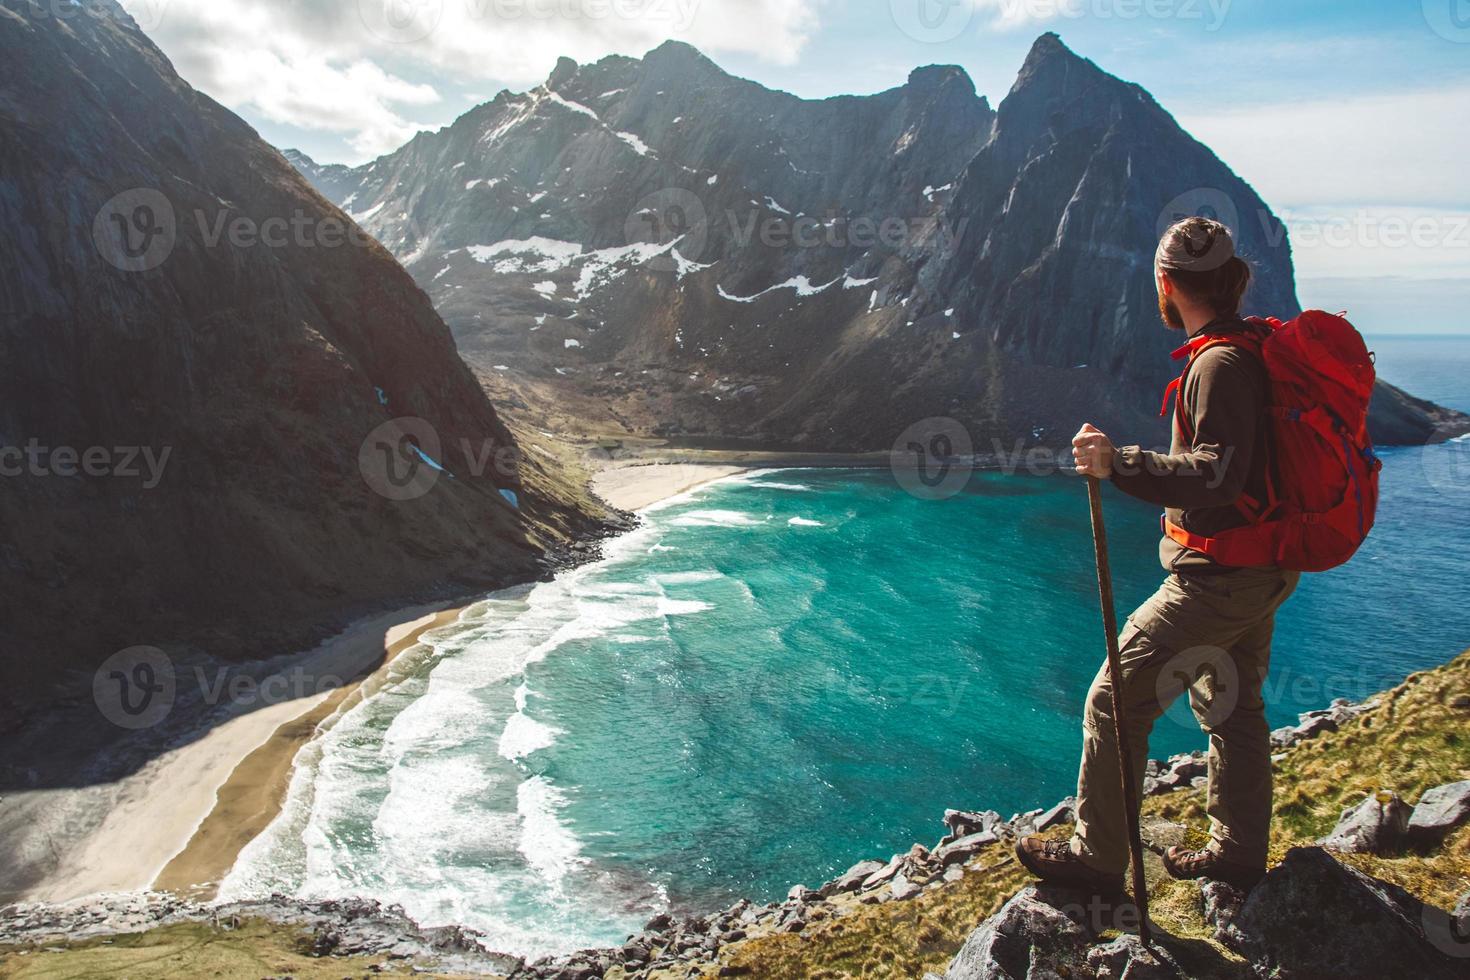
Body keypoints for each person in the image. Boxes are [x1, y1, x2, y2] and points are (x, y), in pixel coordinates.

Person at [1015, 216, 1299, 894]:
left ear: (1166, 284)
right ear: (1230, 280)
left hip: (1219, 577)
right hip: (1261, 566)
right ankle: (1236, 852)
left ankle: (1098, 859)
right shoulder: (1246, 349)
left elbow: (1217, 474)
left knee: (1113, 703)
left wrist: (1119, 463)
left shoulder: (1219, 363)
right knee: (1234, 707)